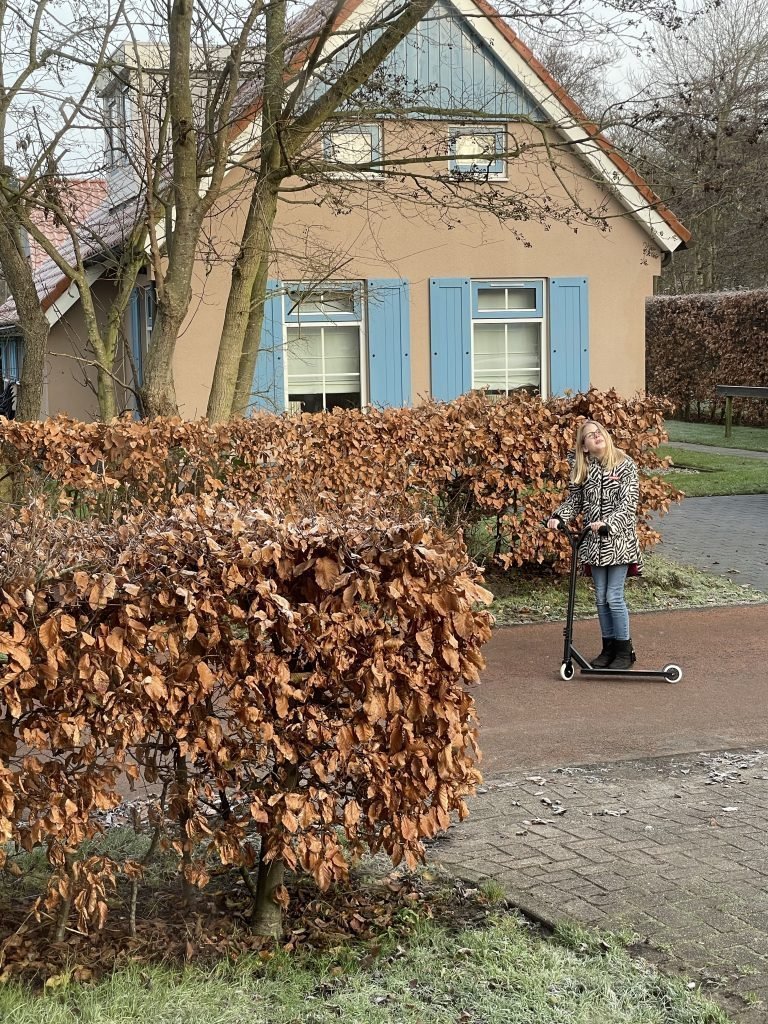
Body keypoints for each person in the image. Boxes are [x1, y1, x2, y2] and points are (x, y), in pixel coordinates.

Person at [546, 419, 643, 670]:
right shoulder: (584, 469)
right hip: (593, 543)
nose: (596, 435)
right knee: (600, 597)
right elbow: (575, 500)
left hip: (618, 541)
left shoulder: (624, 465)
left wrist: (608, 523)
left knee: (614, 595)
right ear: (585, 446)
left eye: (599, 431)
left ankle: (624, 650)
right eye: (590, 435)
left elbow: (628, 504)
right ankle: (608, 647)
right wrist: (559, 517)